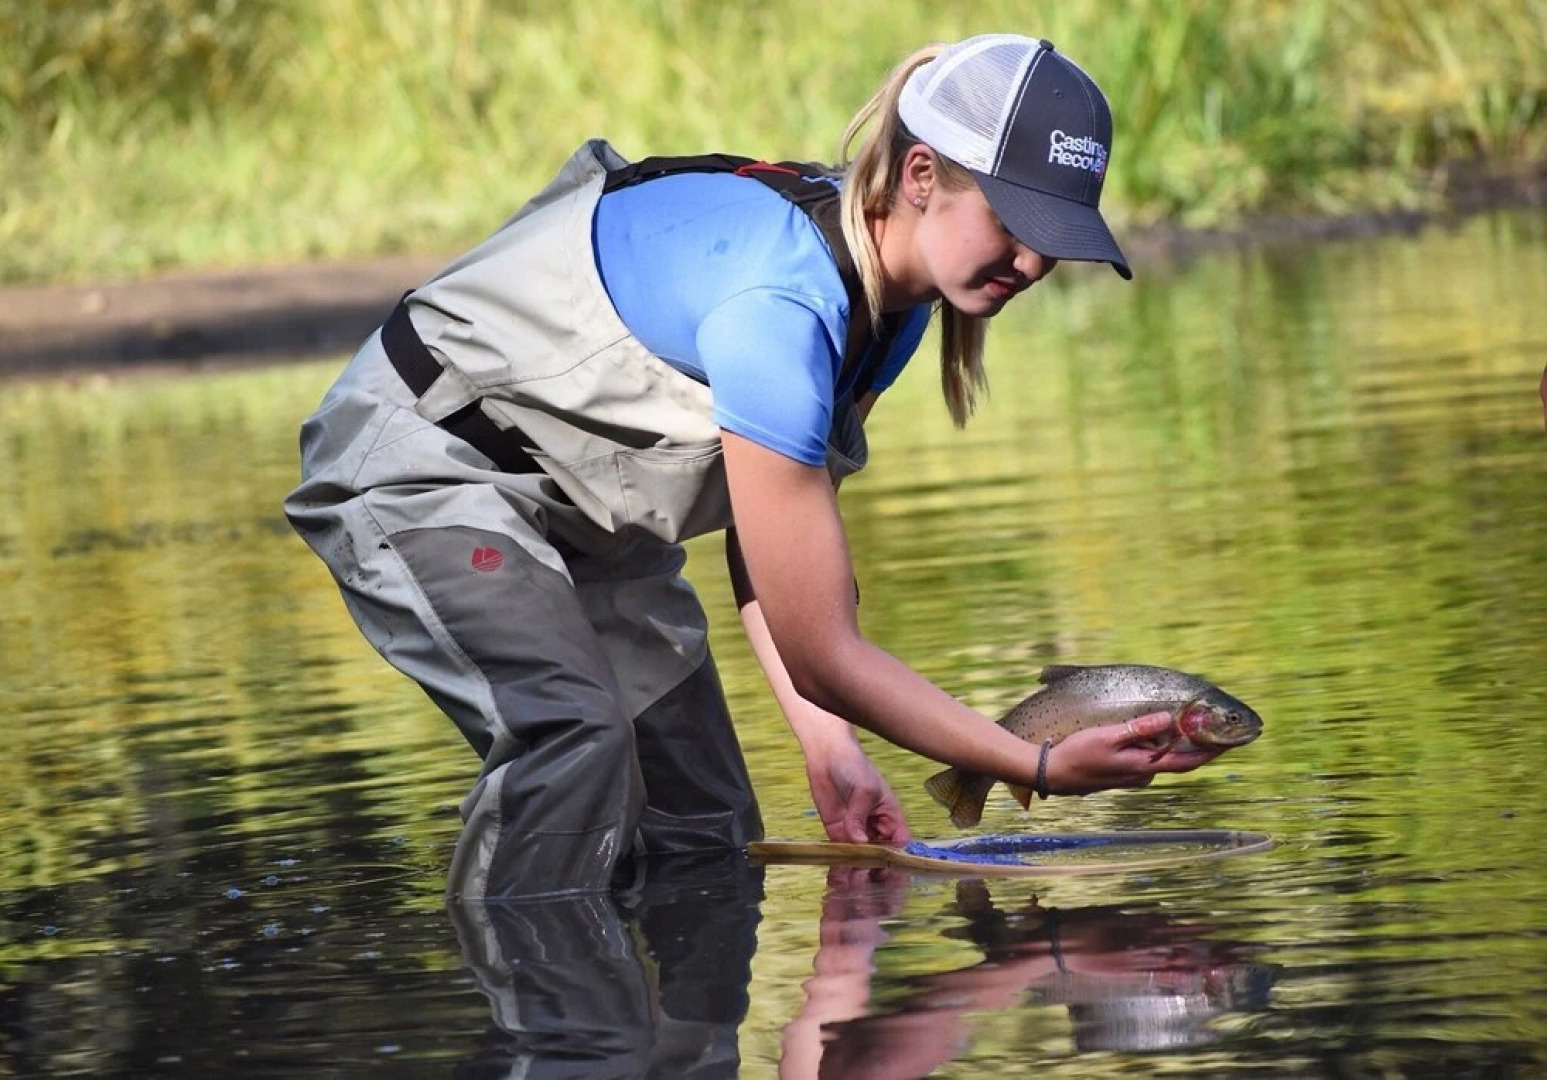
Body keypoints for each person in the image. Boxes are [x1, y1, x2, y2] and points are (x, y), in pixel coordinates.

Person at [284, 34, 1223, 902]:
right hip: (427, 475)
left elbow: (770, 545)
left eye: (1053, 238)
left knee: (707, 830)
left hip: (587, 529)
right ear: (922, 175)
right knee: (571, 736)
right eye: (1011, 220)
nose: (1028, 260)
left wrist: (832, 751)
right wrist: (1037, 767)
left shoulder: (895, 301)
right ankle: (541, 1007)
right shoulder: (782, 299)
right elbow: (822, 651)